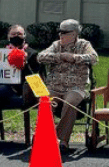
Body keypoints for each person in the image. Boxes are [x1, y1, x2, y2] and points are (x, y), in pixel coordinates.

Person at [35, 19, 98, 151]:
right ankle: (45, 137)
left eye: (64, 33)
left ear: (74, 34)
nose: (60, 35)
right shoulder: (56, 45)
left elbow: (94, 58)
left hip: (76, 87)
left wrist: (75, 58)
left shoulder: (84, 45)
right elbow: (40, 57)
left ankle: (61, 140)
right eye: (60, 32)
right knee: (46, 102)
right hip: (55, 86)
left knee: (70, 102)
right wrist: (59, 56)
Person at [0, 24, 36, 128]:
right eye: (13, 34)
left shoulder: (32, 53)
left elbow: (36, 78)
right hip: (4, 87)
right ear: (8, 37)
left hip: (22, 90)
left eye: (19, 34)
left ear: (24, 36)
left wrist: (25, 65)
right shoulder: (1, 54)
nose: (16, 36)